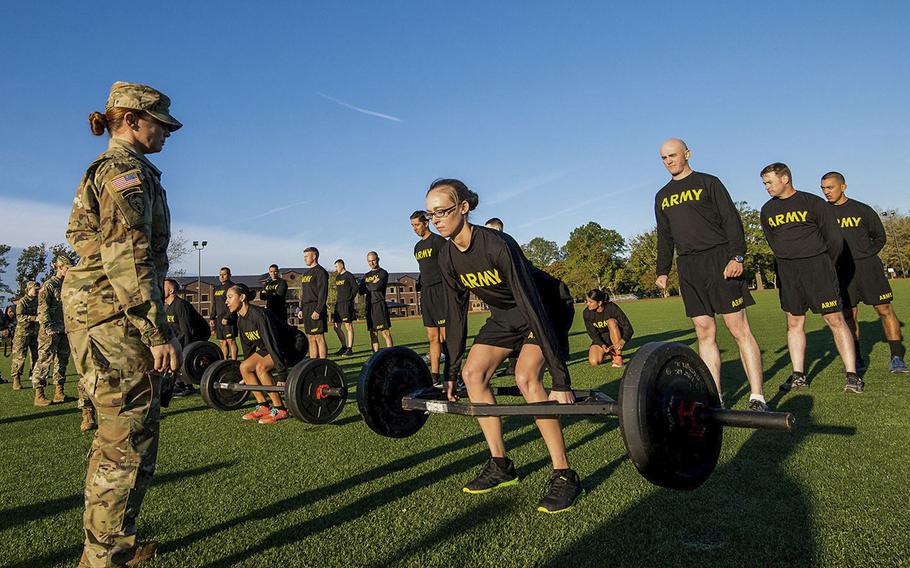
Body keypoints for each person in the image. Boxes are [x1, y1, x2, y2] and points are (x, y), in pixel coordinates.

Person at [64, 81, 182, 566]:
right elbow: (129, 257)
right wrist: (156, 331)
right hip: (115, 319)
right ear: (131, 120)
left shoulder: (120, 170)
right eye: (160, 124)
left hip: (104, 316)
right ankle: (103, 559)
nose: (168, 134)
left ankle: (114, 544)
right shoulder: (123, 172)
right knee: (124, 438)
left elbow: (82, 238)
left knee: (122, 434)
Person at [428, 178, 582, 514]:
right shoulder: (448, 257)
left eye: (443, 211)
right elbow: (455, 317)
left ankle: (564, 474)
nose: (436, 219)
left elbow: (531, 303)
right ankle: (501, 465)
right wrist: (450, 372)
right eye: (431, 214)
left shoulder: (497, 244)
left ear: (464, 207)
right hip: (507, 315)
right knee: (473, 375)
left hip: (545, 306)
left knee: (527, 377)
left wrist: (561, 378)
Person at [655, 138, 769, 411]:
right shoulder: (662, 196)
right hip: (689, 267)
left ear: (687, 154)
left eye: (672, 155)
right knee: (704, 332)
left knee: (739, 329)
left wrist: (737, 256)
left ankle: (757, 396)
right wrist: (662, 270)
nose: (668, 161)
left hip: (720, 261)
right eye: (663, 158)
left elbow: (732, 220)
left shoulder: (709, 182)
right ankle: (715, 398)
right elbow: (665, 236)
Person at [759, 162, 861, 393]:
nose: (766, 187)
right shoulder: (767, 210)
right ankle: (798, 375)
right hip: (788, 271)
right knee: (794, 322)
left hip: (818, 268)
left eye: (769, 182)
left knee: (834, 319)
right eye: (764, 183)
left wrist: (824, 264)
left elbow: (834, 240)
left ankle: (852, 375)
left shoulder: (812, 203)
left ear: (785, 179)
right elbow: (772, 240)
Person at [821, 171, 908, 374]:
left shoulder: (862, 209)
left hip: (868, 268)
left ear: (843, 187)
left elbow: (880, 237)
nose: (826, 192)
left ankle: (896, 358)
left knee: (884, 309)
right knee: (848, 315)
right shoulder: (823, 213)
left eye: (830, 187)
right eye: (823, 188)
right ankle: (857, 359)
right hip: (841, 272)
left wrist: (866, 256)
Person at [228, 283, 303, 424]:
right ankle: (263, 406)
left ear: (242, 297)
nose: (227, 301)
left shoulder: (259, 315)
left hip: (292, 343)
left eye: (230, 297)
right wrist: (246, 374)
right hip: (272, 347)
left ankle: (280, 409)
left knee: (261, 367)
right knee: (244, 367)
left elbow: (272, 342)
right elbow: (248, 350)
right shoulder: (240, 321)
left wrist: (282, 374)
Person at [411, 211, 448, 386]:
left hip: (440, 292)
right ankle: (434, 377)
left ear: (426, 223)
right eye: (412, 226)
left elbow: (449, 266)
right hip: (426, 294)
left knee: (447, 338)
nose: (414, 228)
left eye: (417, 224)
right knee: (433, 338)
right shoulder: (417, 247)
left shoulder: (439, 241)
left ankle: (453, 375)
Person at [31, 256, 73, 406]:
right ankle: (39, 394)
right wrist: (48, 327)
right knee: (44, 360)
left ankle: (59, 391)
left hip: (65, 329)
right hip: (50, 330)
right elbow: (42, 309)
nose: (69, 270)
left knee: (62, 361)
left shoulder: (68, 285)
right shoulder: (48, 285)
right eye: (67, 268)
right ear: (59, 267)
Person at [164, 277, 211, 396]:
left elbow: (186, 330)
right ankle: (179, 385)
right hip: (181, 337)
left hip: (196, 336)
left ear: (171, 290)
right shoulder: (168, 307)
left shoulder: (181, 305)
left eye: (163, 286)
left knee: (179, 356)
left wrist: (184, 350)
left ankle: (188, 387)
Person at [485, 217, 517, 377]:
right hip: (498, 300)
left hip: (512, 299)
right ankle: (512, 365)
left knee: (515, 328)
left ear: (497, 230)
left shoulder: (507, 246)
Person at [583, 289, 634, 367]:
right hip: (603, 338)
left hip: (616, 334)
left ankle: (618, 356)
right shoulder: (587, 313)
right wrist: (602, 345)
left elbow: (628, 327)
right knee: (594, 361)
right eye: (587, 301)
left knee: (611, 321)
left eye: (590, 302)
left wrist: (623, 341)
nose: (587, 304)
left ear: (599, 303)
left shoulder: (611, 307)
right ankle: (607, 352)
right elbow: (592, 333)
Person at [360, 251, 394, 352]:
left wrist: (368, 285)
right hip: (369, 306)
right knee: (373, 333)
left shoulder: (383, 273)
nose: (372, 263)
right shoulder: (366, 275)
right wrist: (372, 283)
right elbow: (361, 291)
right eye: (369, 261)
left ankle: (391, 354)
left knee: (385, 332)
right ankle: (376, 356)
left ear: (378, 259)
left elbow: (377, 287)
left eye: (373, 260)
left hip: (379, 304)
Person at [299, 247, 329, 358]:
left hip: (316, 307)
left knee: (319, 337)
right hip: (306, 308)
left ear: (314, 256)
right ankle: (313, 364)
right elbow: (304, 293)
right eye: (304, 257)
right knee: (310, 337)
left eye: (307, 256)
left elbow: (323, 292)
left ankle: (322, 363)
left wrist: (318, 309)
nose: (305, 259)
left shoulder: (321, 272)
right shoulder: (306, 273)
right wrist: (301, 308)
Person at [9, 281, 39, 391]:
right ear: (28, 289)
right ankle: (16, 378)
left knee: (36, 355)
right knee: (20, 356)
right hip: (22, 333)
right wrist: (34, 318)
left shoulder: (38, 301)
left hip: (35, 333)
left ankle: (35, 376)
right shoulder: (22, 302)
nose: (37, 291)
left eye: (38, 289)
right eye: (35, 289)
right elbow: (20, 317)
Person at [210, 266, 238, 359]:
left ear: (229, 275)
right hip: (219, 319)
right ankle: (225, 362)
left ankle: (234, 362)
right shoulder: (216, 288)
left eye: (224, 274)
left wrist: (227, 317)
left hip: (229, 319)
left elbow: (234, 305)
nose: (222, 276)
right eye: (220, 275)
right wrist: (212, 317)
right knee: (222, 342)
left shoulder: (233, 287)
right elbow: (214, 303)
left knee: (231, 341)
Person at [331, 259, 357, 356]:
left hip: (347, 304)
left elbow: (355, 288)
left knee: (348, 326)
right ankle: (344, 347)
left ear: (341, 265)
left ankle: (350, 349)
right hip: (339, 304)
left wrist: (349, 299)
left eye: (336, 266)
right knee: (336, 327)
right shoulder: (338, 277)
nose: (336, 268)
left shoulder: (349, 275)